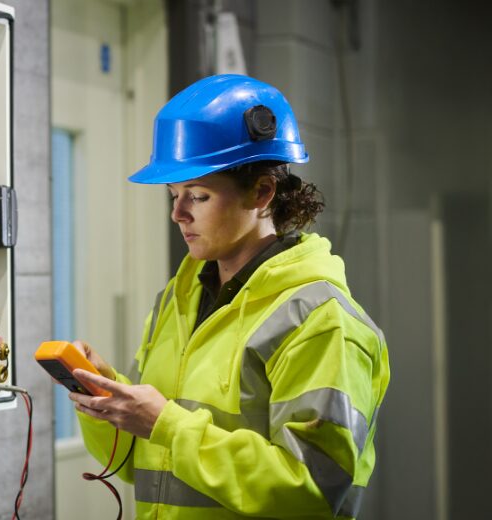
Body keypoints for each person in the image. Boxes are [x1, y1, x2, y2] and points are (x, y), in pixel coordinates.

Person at [68, 74, 390, 519]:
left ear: (261, 192)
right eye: (173, 194)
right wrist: (111, 401)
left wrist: (165, 424)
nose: (177, 214)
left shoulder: (320, 320)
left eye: (198, 195)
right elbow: (140, 465)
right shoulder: (178, 301)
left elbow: (310, 491)